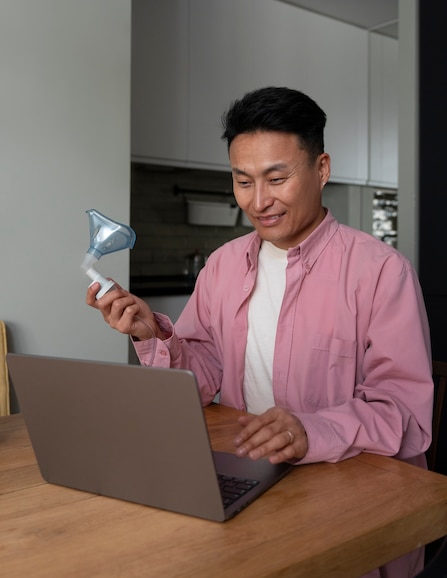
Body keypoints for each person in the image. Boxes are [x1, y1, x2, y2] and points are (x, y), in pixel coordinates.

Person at [87, 87, 433, 578]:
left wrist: (310, 430)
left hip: (347, 493)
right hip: (248, 475)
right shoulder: (224, 265)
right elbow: (203, 377)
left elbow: (405, 414)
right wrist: (156, 336)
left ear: (321, 169)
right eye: (243, 181)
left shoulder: (380, 272)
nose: (259, 200)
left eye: (277, 178)